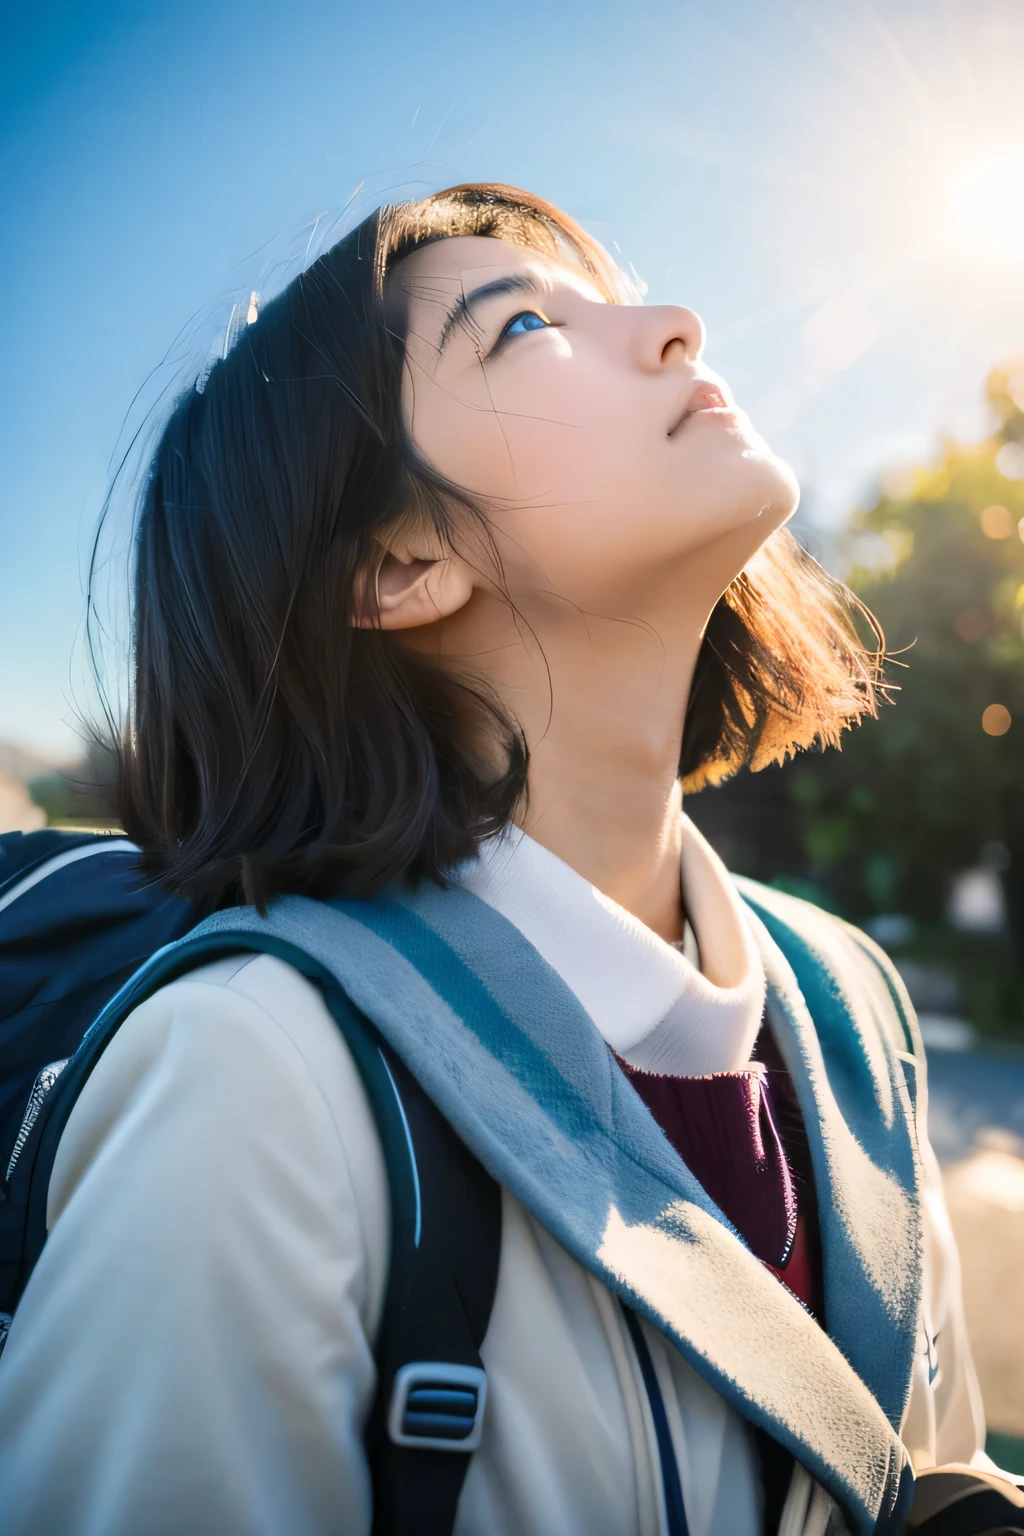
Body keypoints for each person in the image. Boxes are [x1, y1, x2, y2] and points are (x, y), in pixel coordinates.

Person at [0, 184, 1008, 1536]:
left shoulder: (848, 1003)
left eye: (620, 295)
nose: (676, 327)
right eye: (527, 325)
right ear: (400, 561)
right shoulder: (259, 1079)